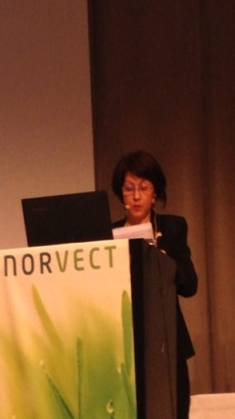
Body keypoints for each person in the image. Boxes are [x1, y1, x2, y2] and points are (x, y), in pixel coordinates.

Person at [111, 150, 198, 419]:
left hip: (168, 345)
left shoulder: (172, 228)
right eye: (129, 189)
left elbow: (190, 285)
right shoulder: (108, 234)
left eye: (144, 188)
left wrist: (162, 261)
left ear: (155, 193)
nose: (136, 196)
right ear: (121, 194)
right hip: (123, 346)